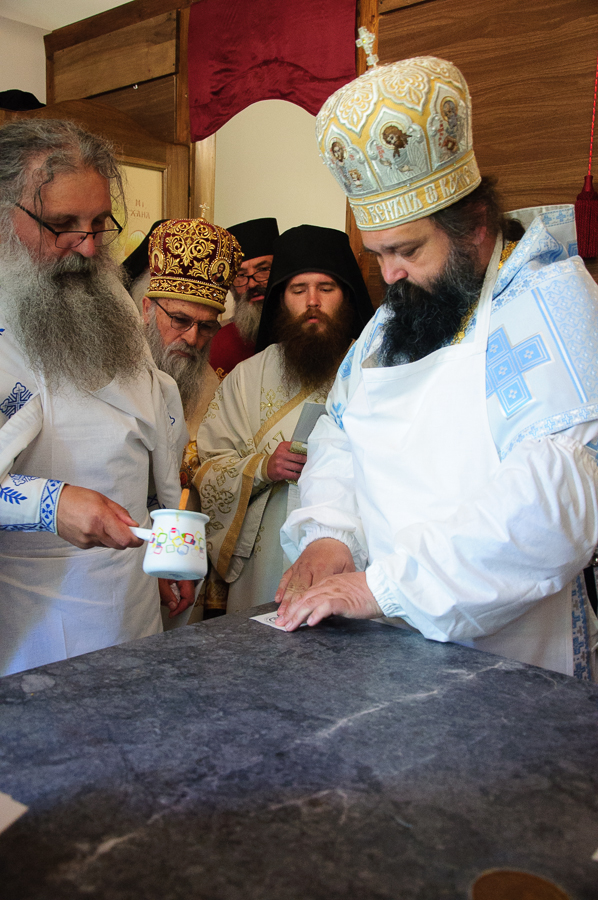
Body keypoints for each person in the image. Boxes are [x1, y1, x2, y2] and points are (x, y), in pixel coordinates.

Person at [276, 56, 598, 680]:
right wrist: (331, 534)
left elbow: (553, 505)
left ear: (474, 225)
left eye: (407, 250)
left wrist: (387, 588)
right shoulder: (391, 320)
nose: (389, 276)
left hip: (512, 660)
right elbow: (341, 436)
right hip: (386, 644)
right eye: (377, 255)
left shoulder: (550, 300)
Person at [0, 118, 189, 676]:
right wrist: (52, 504)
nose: (86, 247)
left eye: (99, 223)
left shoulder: (109, 298)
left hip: (132, 598)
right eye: (62, 225)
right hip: (33, 610)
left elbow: (147, 435)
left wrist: (167, 548)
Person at [195, 225, 374, 614]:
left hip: (349, 553)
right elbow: (206, 469)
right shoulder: (246, 377)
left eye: (326, 288)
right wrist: (263, 468)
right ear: (281, 298)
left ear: (346, 295)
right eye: (298, 290)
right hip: (262, 563)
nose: (312, 301)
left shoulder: (371, 370)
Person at [142, 218, 241, 442]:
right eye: (179, 320)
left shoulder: (210, 386)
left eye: (206, 326)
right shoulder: (115, 379)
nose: (192, 338)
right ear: (147, 310)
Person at [209, 217, 279, 379]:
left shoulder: (305, 333)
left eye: (263, 269)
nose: (252, 283)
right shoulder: (218, 346)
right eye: (241, 275)